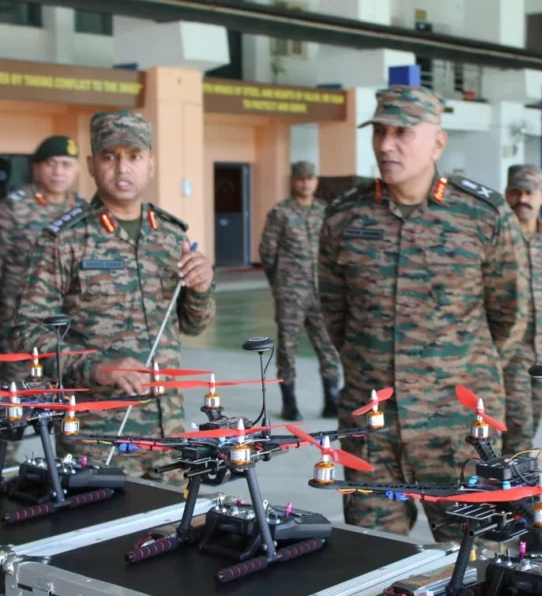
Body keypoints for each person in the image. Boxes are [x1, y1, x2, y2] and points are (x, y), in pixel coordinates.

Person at [318, 85, 529, 542]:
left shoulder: (483, 215)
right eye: (379, 132)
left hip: (457, 429)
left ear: (437, 142)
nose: (385, 145)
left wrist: (454, 372)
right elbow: (336, 316)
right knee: (370, 556)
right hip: (372, 427)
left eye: (402, 133)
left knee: (474, 562)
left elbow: (509, 319)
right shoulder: (344, 217)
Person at [12, 110, 216, 481]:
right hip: (95, 433)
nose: (123, 168)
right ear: (91, 165)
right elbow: (27, 333)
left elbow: (193, 324)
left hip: (166, 428)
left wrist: (202, 289)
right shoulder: (65, 239)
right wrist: (97, 367)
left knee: (169, 533)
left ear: (150, 165)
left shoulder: (170, 235)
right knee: (101, 534)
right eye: (109, 157)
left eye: (134, 157)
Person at [0, 136, 88, 385]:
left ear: (77, 169)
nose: (58, 171)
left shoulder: (84, 209)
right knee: (16, 401)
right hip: (17, 326)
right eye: (51, 163)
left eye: (66, 164)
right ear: (36, 167)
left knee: (67, 396)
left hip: (72, 327)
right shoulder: (14, 208)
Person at [259, 160, 340, 421]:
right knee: (288, 347)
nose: (306, 183)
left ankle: (331, 399)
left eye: (310, 178)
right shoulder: (281, 212)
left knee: (327, 345)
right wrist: (281, 282)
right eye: (301, 178)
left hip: (320, 292)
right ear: (293, 181)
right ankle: (289, 402)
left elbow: (331, 249)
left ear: (316, 181)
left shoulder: (323, 211)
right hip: (290, 291)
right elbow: (268, 251)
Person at [501, 164, 542, 455]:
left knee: (539, 415)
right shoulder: (497, 239)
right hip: (510, 347)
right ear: (506, 195)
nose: (522, 199)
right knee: (518, 424)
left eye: (529, 193)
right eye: (516, 192)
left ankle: (510, 471)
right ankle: (514, 489)